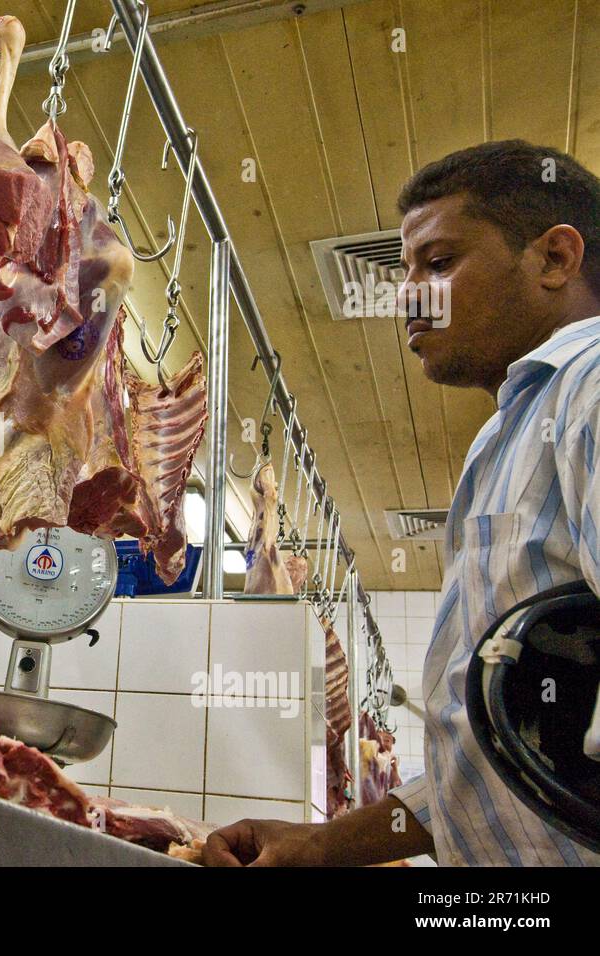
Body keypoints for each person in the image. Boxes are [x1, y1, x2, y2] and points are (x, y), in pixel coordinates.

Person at [205, 140, 600, 866]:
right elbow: (494, 760)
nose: (407, 294)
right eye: (404, 270)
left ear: (554, 259)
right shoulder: (508, 436)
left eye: (440, 263)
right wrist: (322, 845)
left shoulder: (591, 389)